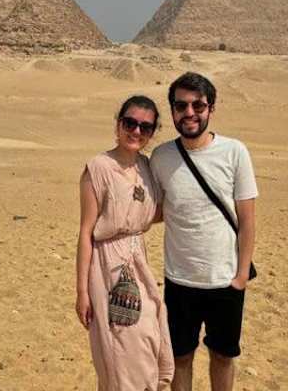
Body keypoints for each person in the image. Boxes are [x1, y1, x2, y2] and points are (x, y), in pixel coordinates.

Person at [150, 73, 258, 391]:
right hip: (179, 280)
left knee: (223, 356)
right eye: (181, 105)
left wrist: (241, 276)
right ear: (172, 110)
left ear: (211, 108)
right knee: (180, 357)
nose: (190, 113)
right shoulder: (161, 157)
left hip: (225, 279)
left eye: (198, 105)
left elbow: (247, 219)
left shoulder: (235, 152)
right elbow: (158, 210)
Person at [76, 96, 174, 390]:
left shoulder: (147, 167)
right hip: (106, 266)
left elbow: (153, 213)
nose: (136, 131)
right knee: (120, 347)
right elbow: (86, 232)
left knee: (148, 336)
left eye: (146, 127)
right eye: (130, 123)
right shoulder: (98, 168)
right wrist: (82, 292)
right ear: (118, 124)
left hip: (138, 261)